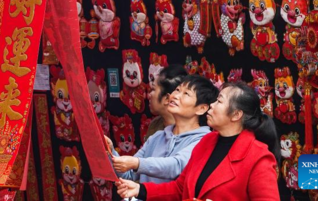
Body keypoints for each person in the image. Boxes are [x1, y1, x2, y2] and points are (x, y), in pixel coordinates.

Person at [116, 82, 281, 201]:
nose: (211, 106)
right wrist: (140, 190)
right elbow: (180, 188)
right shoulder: (207, 141)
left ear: (236, 115)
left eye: (219, 101)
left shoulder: (258, 157)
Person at [107, 75, 219, 186]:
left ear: (201, 109)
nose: (175, 96)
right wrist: (110, 151)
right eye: (177, 90)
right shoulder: (157, 137)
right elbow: (128, 174)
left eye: (186, 94)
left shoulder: (204, 139)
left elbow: (176, 165)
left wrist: (137, 163)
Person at [146, 64, 188, 139]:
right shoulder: (155, 125)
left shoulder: (187, 134)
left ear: (167, 98)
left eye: (153, 89)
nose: (149, 95)